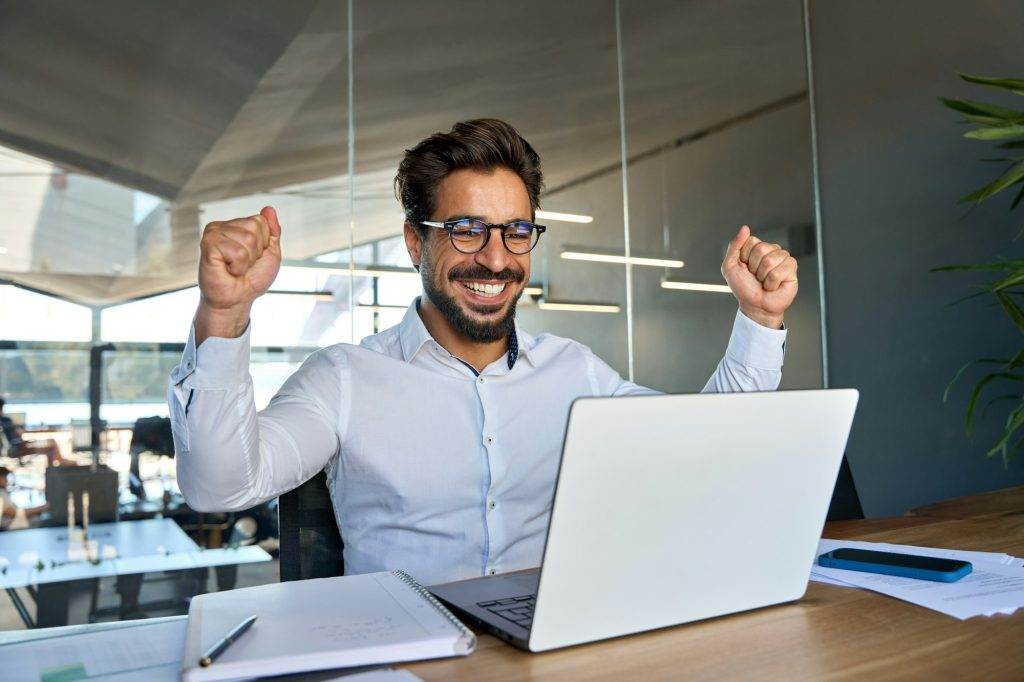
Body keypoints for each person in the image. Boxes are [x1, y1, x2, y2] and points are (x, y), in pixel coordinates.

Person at [168, 119, 798, 585]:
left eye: (516, 232)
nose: (496, 258)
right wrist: (223, 315)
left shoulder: (574, 371)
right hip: (404, 657)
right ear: (416, 243)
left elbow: (711, 445)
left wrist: (759, 318)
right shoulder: (345, 378)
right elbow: (220, 485)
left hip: (549, 652)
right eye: (467, 230)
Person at [0, 397, 64, 466]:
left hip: (12, 447)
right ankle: (56, 468)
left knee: (51, 441)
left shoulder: (4, 421)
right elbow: (17, 435)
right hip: (16, 448)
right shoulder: (5, 420)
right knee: (50, 446)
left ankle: (60, 463)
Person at [0, 466, 48, 530]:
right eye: (4, 477)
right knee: (49, 522)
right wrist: (43, 508)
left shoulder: (3, 492)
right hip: (8, 529)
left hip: (12, 526)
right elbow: (15, 514)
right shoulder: (1, 493)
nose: (6, 480)